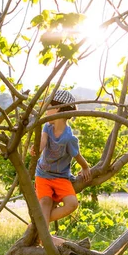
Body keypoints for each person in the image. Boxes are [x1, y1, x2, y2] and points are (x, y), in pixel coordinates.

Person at [30, 89, 91, 246]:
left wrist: (85, 167)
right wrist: (36, 149)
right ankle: (45, 236)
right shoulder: (47, 128)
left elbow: (77, 155)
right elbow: (43, 142)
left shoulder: (69, 138)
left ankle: (39, 225)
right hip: (43, 174)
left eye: (47, 106)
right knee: (45, 202)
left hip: (60, 177)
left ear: (57, 109)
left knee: (72, 204)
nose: (44, 110)